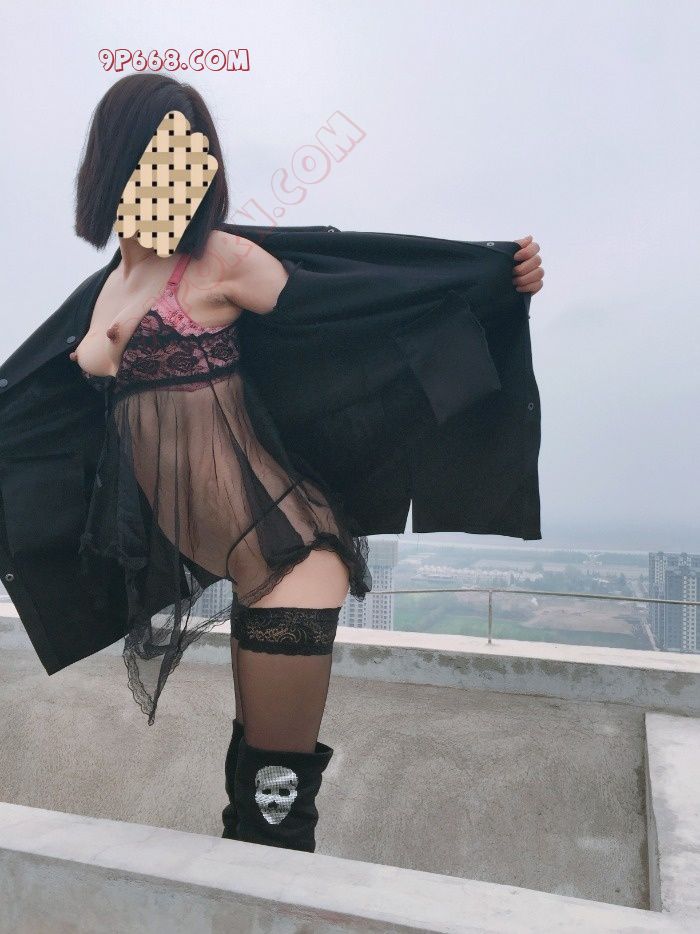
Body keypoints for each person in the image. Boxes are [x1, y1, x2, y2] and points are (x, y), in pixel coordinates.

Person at [67, 73, 544, 854]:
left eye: (188, 153)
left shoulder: (220, 263)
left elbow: (363, 297)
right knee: (248, 781)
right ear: (117, 160)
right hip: (227, 555)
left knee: (275, 803)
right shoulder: (110, 286)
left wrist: (493, 276)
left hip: (286, 558)